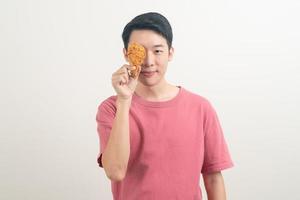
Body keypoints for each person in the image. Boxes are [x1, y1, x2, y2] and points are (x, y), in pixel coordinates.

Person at [96, 12, 233, 200]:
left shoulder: (200, 108)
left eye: (157, 51)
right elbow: (115, 172)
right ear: (126, 54)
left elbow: (213, 179)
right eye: (140, 51)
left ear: (170, 53)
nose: (148, 62)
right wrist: (125, 100)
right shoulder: (111, 108)